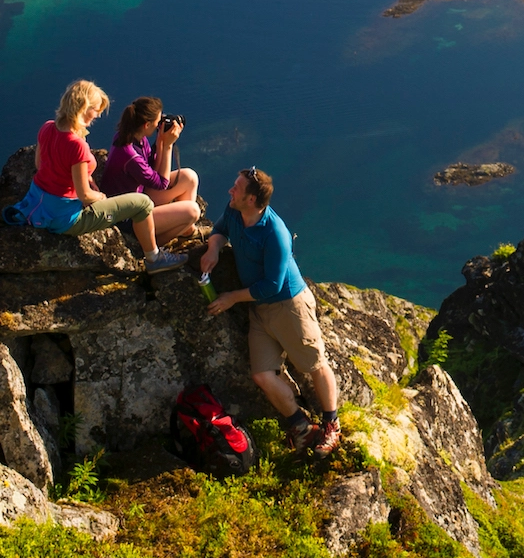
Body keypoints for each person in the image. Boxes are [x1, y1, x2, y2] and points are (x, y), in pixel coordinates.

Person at [200, 167, 339, 456]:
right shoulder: (235, 212)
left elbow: (273, 285)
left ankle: (331, 425)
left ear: (251, 200)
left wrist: (231, 298)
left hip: (289, 305)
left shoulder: (276, 233)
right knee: (262, 374)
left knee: (314, 363)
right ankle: (301, 427)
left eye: (236, 188)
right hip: (259, 308)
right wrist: (213, 248)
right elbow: (221, 229)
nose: (230, 191)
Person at [5, 80, 189, 274]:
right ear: (84, 108)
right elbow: (85, 196)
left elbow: (39, 165)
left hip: (41, 203)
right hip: (66, 218)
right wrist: (101, 197)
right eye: (95, 109)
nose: (98, 114)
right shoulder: (77, 145)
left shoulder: (48, 127)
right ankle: (154, 258)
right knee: (142, 203)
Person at [101, 97, 201, 239]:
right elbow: (161, 183)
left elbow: (153, 167)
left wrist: (160, 140)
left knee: (189, 177)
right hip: (129, 217)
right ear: (146, 125)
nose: (158, 125)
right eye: (157, 122)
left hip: (139, 199)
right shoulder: (130, 155)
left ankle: (185, 230)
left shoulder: (134, 138)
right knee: (193, 211)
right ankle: (154, 245)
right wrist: (168, 146)